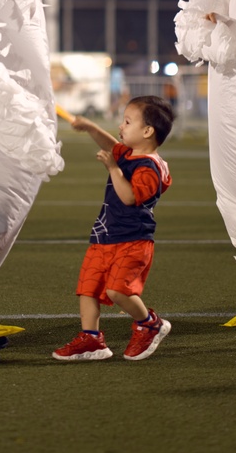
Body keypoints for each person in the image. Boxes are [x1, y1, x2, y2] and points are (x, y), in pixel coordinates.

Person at [53, 95, 174, 361]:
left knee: (118, 291)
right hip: (105, 235)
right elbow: (113, 145)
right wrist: (90, 127)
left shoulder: (150, 167)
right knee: (88, 288)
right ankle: (91, 339)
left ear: (147, 131)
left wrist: (112, 168)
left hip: (133, 240)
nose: (121, 126)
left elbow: (129, 197)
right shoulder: (130, 153)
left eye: (127, 122)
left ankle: (149, 324)